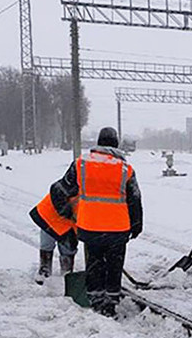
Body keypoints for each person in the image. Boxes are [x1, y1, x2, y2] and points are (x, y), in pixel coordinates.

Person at [52, 127, 143, 317]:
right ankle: (111, 302)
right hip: (118, 229)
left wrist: (66, 211)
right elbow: (134, 199)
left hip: (90, 226)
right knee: (114, 265)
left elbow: (60, 189)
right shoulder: (125, 169)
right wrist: (136, 225)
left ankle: (95, 300)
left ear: (98, 142)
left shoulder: (81, 164)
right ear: (116, 144)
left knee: (94, 263)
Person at [29, 191, 78, 284]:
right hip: (50, 215)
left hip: (67, 221)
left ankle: (66, 274)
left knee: (67, 246)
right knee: (49, 242)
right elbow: (57, 190)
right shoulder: (74, 182)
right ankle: (45, 271)